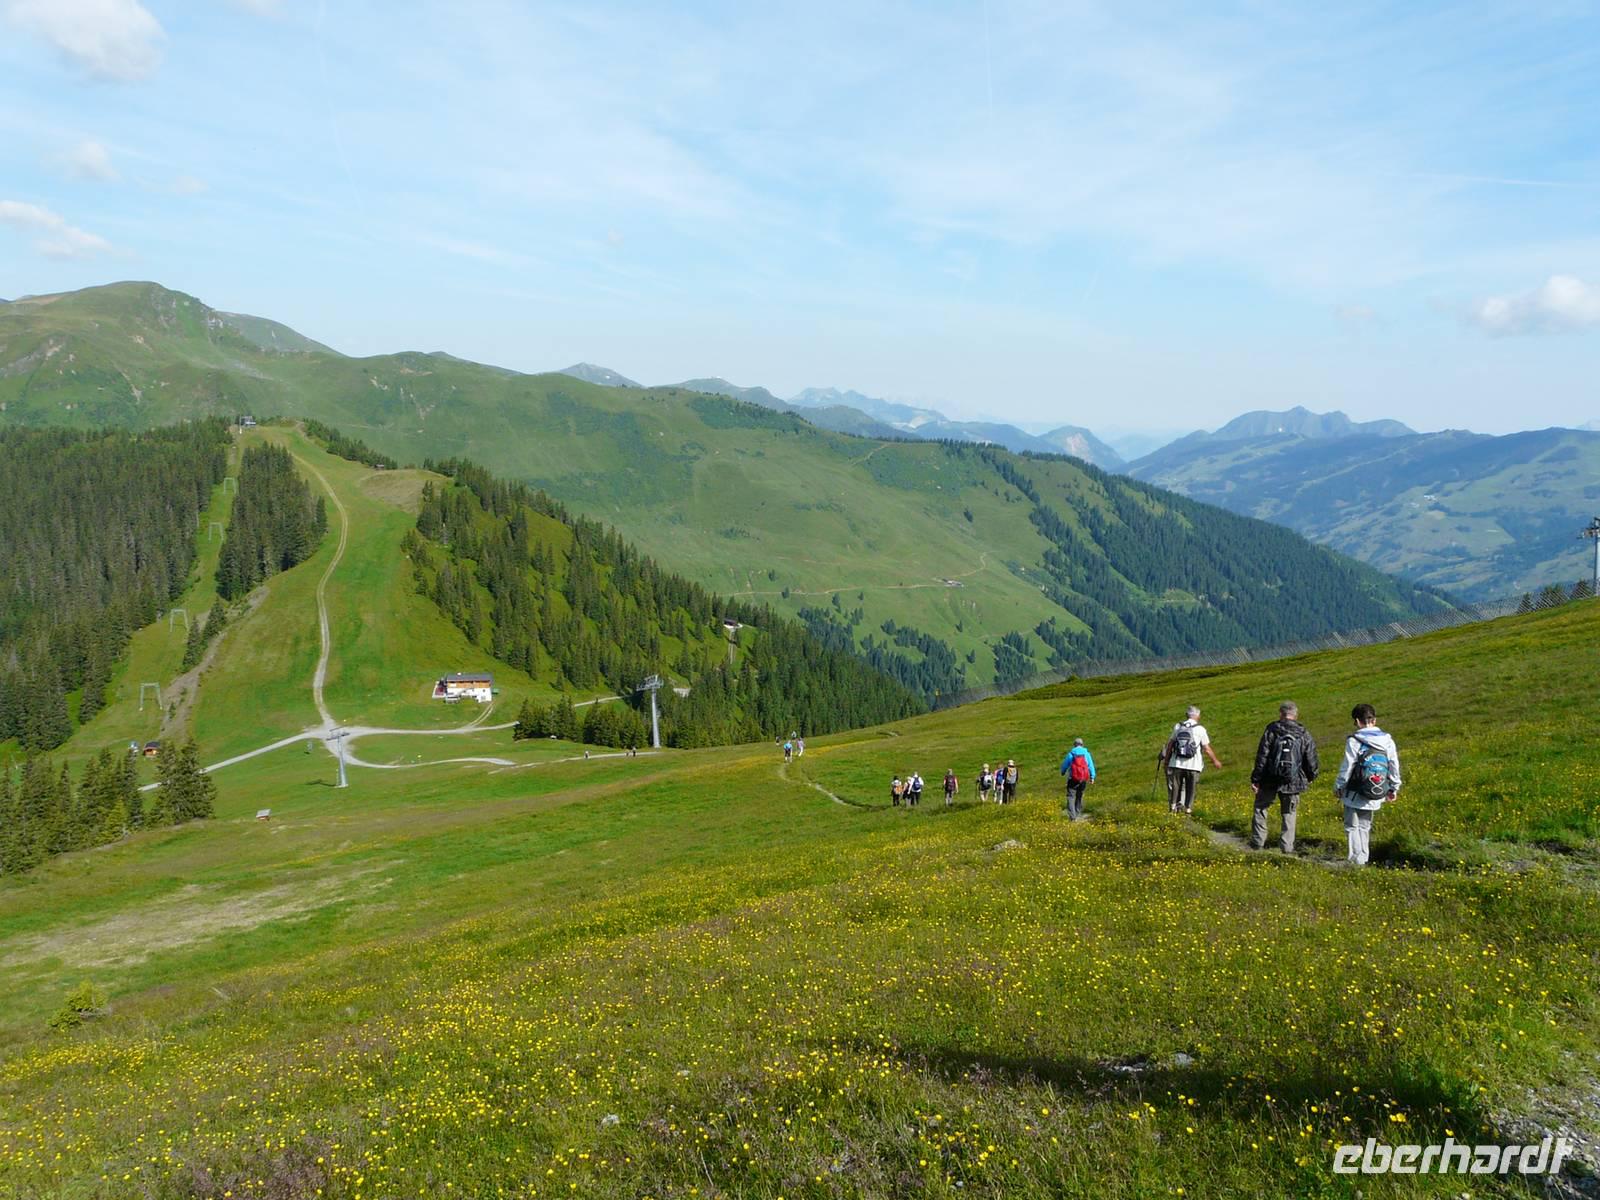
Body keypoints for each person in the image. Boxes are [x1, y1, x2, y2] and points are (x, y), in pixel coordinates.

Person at [1334, 703, 1401, 866]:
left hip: (1355, 790)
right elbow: (1393, 764)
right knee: (1365, 825)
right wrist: (1394, 787)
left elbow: (1347, 765)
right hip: (1377, 788)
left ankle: (1355, 860)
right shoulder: (1388, 740)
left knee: (1351, 825)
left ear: (1357, 721)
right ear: (1374, 720)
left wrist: (1339, 786)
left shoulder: (1355, 740)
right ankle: (1363, 858)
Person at [1249, 702, 1319, 853]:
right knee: (1289, 813)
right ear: (1296, 715)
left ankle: (1257, 842)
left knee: (1261, 808)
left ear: (1281, 714)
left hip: (1269, 778)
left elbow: (1262, 756)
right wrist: (1311, 775)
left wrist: (1256, 779)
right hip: (1293, 780)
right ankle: (1287, 847)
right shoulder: (1303, 733)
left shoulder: (1272, 730)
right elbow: (1311, 757)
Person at [1159, 705, 1221, 814]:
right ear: (1197, 716)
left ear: (1187, 715)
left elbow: (1170, 745)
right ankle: (1188, 809)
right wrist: (1215, 761)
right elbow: (1207, 748)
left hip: (1176, 763)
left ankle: (1173, 808)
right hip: (1194, 765)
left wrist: (1167, 761)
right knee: (1190, 788)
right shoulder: (1200, 729)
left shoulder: (1178, 726)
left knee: (1176, 788)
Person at [1059, 737, 1096, 820]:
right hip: (1083, 779)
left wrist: (1063, 772)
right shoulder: (1087, 754)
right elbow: (1091, 766)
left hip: (1072, 779)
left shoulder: (1071, 754)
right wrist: (1092, 777)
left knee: (1071, 797)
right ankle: (1077, 812)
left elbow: (1065, 765)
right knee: (1080, 795)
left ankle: (1072, 816)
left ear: (1074, 745)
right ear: (1082, 745)